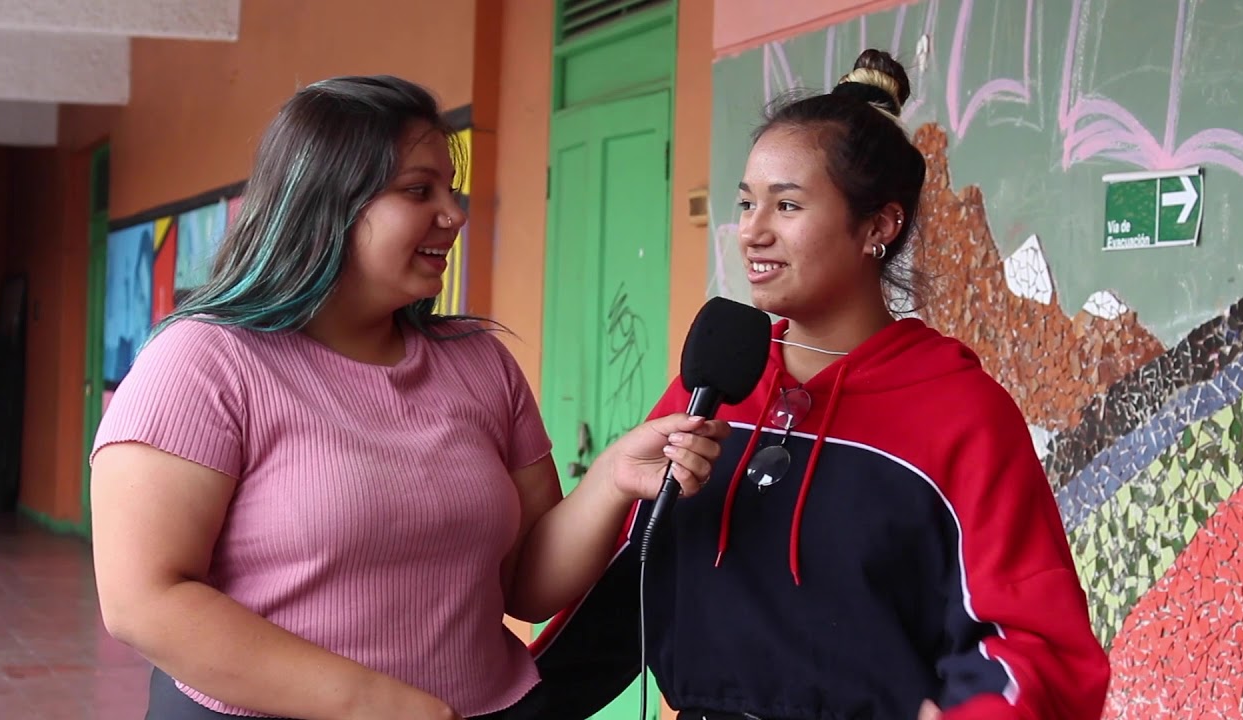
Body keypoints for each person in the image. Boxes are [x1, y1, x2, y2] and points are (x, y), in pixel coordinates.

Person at [88, 75, 730, 720]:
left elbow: (525, 587)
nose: (454, 213)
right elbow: (145, 601)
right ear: (326, 202)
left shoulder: (479, 361)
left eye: (450, 189)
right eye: (418, 190)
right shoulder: (203, 361)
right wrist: (381, 705)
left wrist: (612, 479)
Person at [529, 50, 1111, 720]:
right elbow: (618, 590)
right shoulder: (716, 389)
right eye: (747, 202)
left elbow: (1033, 644)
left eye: (788, 204)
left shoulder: (962, 415)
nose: (752, 230)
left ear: (878, 226)